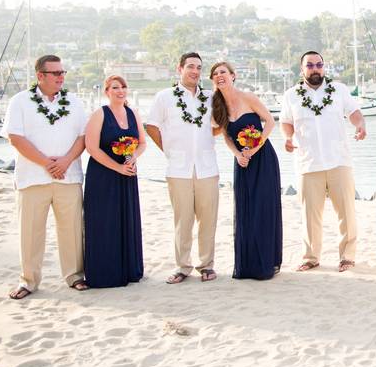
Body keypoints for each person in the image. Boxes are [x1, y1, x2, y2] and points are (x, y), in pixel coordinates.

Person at [2, 54, 89, 299]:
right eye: (56, 73)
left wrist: (64, 161)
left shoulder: (74, 102)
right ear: (40, 75)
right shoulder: (20, 101)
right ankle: (28, 280)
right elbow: (15, 137)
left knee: (71, 229)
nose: (61, 77)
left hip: (68, 176)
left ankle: (74, 275)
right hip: (32, 178)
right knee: (30, 231)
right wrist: (46, 163)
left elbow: (83, 137)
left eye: (63, 73)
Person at [280, 51, 366, 273]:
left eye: (319, 65)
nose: (315, 68)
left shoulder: (339, 90)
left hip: (339, 160)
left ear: (324, 67)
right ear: (302, 69)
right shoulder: (291, 95)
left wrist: (360, 125)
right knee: (310, 214)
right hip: (308, 162)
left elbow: (354, 112)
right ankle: (311, 257)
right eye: (310, 65)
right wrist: (288, 138)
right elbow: (286, 122)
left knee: (346, 212)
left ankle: (347, 256)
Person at [145, 52, 220, 284]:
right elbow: (151, 126)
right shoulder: (165, 97)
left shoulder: (211, 97)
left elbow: (219, 126)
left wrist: (208, 138)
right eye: (190, 66)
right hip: (178, 169)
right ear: (180, 69)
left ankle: (206, 265)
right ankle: (182, 266)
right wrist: (168, 150)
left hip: (207, 168)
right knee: (183, 220)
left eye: (198, 67)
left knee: (208, 219)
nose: (195, 71)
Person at [211, 61, 282, 280]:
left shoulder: (248, 98)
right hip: (242, 162)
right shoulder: (217, 106)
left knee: (263, 209)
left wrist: (254, 148)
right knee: (246, 210)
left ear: (233, 75)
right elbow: (226, 136)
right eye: (215, 74)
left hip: (262, 159)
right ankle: (247, 264)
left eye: (223, 72)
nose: (219, 75)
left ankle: (267, 263)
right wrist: (238, 154)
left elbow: (269, 122)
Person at [83, 75, 146, 288]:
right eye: (115, 87)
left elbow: (142, 143)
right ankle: (106, 272)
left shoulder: (133, 113)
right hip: (103, 175)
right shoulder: (100, 114)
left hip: (127, 174)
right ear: (107, 91)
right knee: (105, 221)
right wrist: (117, 166)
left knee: (126, 219)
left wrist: (132, 157)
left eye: (123, 87)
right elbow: (91, 147)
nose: (120, 91)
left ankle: (128, 269)